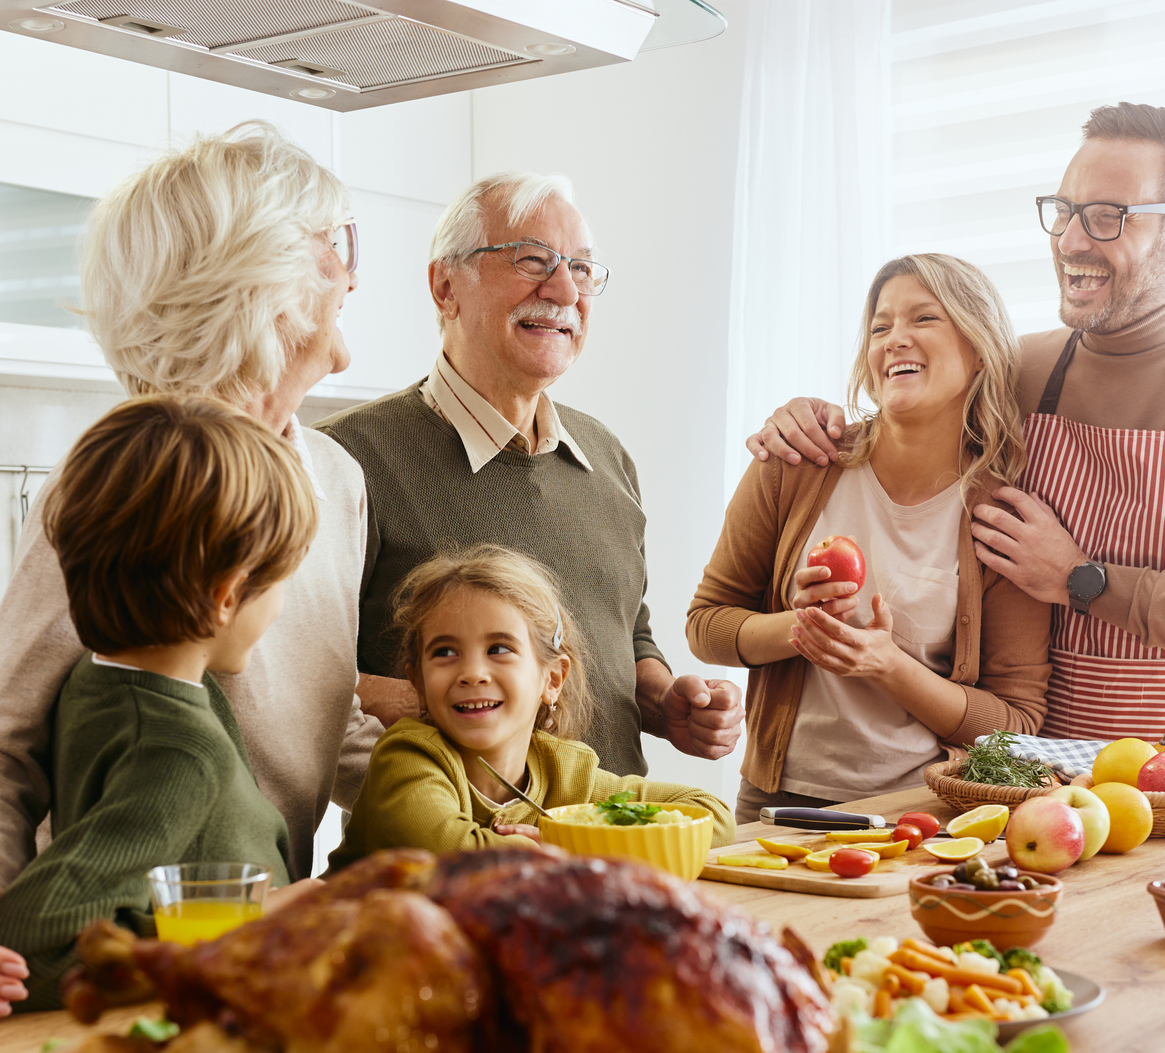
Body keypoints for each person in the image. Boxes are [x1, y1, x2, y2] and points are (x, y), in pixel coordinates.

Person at [0, 122, 374, 1021]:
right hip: (121, 970)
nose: (352, 274)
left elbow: (318, 713)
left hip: (249, 959)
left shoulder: (336, 480)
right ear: (261, 279)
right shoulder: (141, 488)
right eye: (333, 248)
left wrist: (471, 794)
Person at [744, 103, 1165, 757]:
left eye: (1108, 216)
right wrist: (806, 417)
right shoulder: (1020, 367)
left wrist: (1082, 579)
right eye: (1066, 211)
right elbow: (898, 420)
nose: (1073, 241)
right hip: (1024, 778)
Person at [316, 173, 742, 778]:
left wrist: (665, 700)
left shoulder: (606, 454)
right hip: (454, 850)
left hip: (617, 838)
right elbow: (291, 674)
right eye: (533, 260)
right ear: (445, 287)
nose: (565, 289)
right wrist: (453, 703)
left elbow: (628, 630)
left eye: (583, 269)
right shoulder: (345, 459)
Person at [0, 397, 314, 1009]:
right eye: (283, 581)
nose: (284, 605)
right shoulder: (180, 750)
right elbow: (26, 943)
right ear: (228, 596)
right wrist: (246, 925)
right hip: (182, 1026)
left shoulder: (98, 682)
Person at [687, 254, 1050, 819]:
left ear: (979, 348)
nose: (894, 340)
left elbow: (1017, 721)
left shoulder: (1001, 517)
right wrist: (802, 628)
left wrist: (887, 665)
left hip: (923, 809)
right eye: (880, 327)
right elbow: (706, 625)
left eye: (923, 319)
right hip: (775, 803)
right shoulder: (796, 464)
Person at [331, 545, 733, 866]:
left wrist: (580, 849)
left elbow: (708, 815)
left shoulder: (567, 773)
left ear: (552, 679)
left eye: (499, 648)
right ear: (417, 680)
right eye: (445, 651)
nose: (472, 673)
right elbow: (446, 851)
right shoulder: (408, 757)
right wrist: (576, 850)